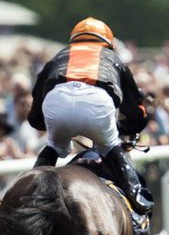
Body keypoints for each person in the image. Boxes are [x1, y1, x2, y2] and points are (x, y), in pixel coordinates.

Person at [28, 17, 154, 215]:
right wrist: (129, 127)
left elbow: (35, 113)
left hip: (56, 101)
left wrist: (48, 125)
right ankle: (136, 195)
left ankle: (29, 193)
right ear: (108, 43)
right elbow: (136, 110)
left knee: (53, 146)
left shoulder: (59, 57)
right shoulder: (113, 58)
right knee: (110, 145)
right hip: (97, 104)